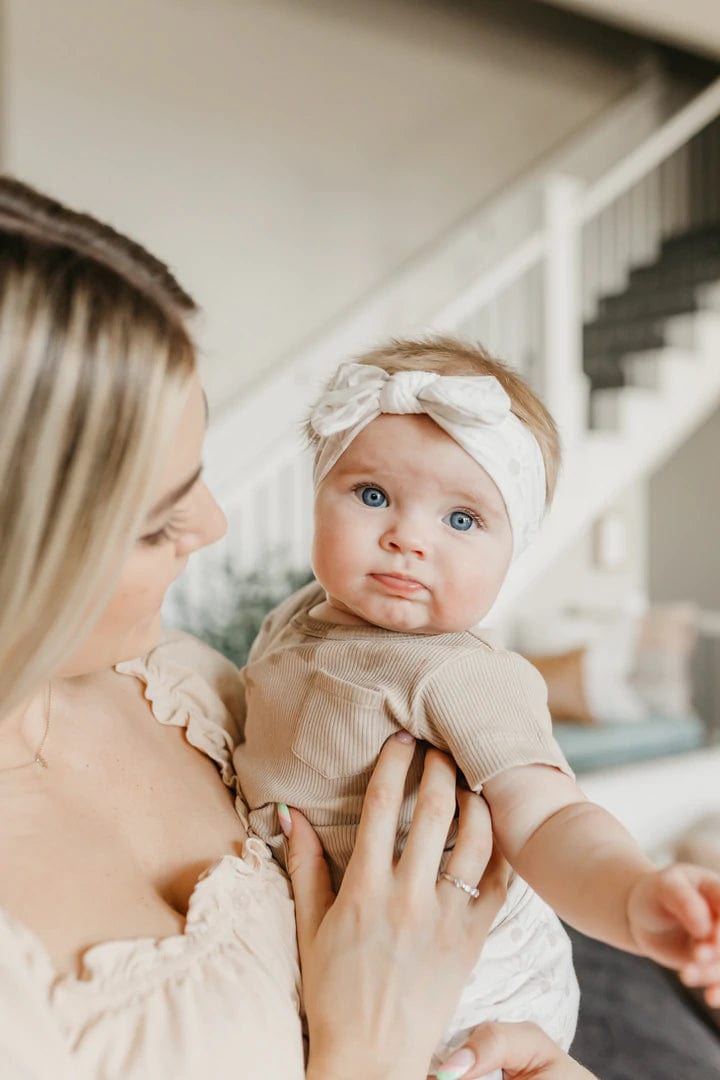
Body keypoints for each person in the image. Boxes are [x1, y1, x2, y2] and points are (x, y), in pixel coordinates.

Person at [0, 174, 601, 1080]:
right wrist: (370, 1051)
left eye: (198, 476)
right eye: (156, 517)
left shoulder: (195, 684)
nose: (214, 527)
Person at [234, 339, 720, 1071]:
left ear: (511, 550)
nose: (407, 538)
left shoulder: (460, 676)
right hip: (345, 961)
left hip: (469, 997)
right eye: (373, 496)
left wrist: (631, 896)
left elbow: (551, 816)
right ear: (319, 494)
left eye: (461, 520)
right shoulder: (299, 617)